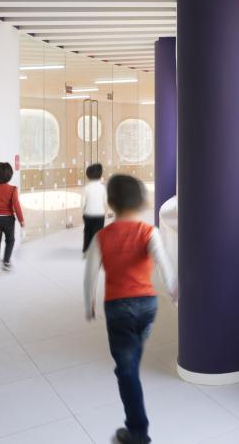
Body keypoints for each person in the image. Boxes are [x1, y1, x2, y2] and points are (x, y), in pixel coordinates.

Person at [84, 174, 177, 444]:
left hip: (118, 308)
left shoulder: (101, 237)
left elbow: (90, 275)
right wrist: (173, 289)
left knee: (126, 371)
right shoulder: (149, 232)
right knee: (132, 351)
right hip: (147, 306)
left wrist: (89, 303)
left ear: (110, 203)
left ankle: (137, 432)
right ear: (141, 202)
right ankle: (130, 361)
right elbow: (164, 262)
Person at [0, 162, 24, 278]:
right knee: (10, 240)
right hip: (8, 220)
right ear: (9, 175)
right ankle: (6, 261)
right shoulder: (13, 189)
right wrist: (21, 220)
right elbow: (16, 206)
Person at [81, 162, 106, 255]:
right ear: (100, 175)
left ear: (88, 175)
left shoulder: (86, 188)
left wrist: (84, 211)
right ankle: (97, 250)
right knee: (99, 232)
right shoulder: (102, 187)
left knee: (88, 231)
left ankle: (86, 249)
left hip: (88, 214)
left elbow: (83, 203)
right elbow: (105, 201)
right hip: (100, 214)